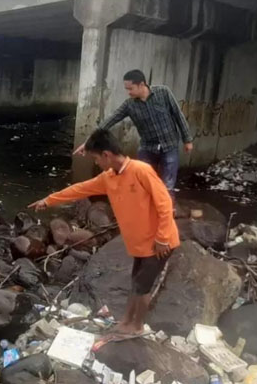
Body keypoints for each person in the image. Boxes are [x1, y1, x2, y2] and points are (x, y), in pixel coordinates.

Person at [28, 128, 179, 336]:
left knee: (143, 285)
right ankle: (126, 321)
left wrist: (162, 238)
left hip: (159, 243)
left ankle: (136, 326)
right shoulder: (109, 178)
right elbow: (80, 189)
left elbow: (165, 203)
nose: (96, 163)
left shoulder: (141, 170)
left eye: (96, 159)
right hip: (140, 243)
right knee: (136, 282)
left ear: (106, 155)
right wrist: (49, 200)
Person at [73, 69, 193, 198]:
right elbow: (109, 121)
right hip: (148, 147)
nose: (128, 92)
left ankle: (167, 212)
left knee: (167, 184)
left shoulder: (163, 92)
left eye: (130, 88)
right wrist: (88, 142)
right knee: (140, 182)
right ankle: (142, 210)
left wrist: (187, 140)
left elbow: (178, 115)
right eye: (127, 89)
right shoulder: (129, 105)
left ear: (142, 85)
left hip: (170, 145)